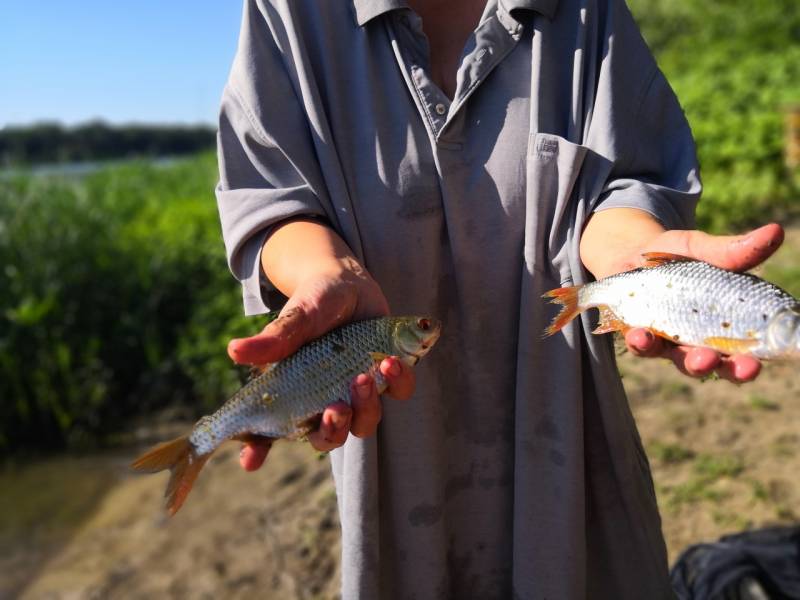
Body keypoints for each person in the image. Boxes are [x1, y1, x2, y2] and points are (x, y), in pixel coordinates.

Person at [215, 0, 784, 597]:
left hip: (568, 444)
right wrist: (323, 270)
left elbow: (628, 183)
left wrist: (637, 263)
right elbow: (270, 196)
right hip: (390, 456)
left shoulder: (586, 13)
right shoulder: (290, 13)